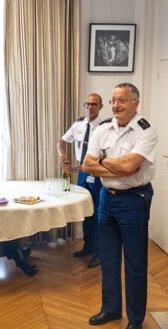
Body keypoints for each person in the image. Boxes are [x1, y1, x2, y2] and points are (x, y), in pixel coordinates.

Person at [82, 83, 157, 329]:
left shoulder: (145, 130)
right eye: (114, 100)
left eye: (122, 101)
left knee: (135, 263)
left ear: (136, 102)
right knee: (109, 260)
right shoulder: (103, 128)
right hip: (107, 199)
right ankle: (111, 309)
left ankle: (135, 319)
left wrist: (103, 162)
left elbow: (131, 167)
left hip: (134, 199)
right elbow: (87, 166)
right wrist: (112, 165)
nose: (116, 105)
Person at [58, 93, 104, 268]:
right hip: (83, 174)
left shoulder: (105, 127)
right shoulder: (78, 124)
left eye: (94, 104)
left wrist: (73, 169)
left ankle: (99, 253)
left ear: (100, 107)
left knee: (98, 214)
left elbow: (97, 161)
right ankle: (88, 246)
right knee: (86, 211)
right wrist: (63, 154)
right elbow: (61, 141)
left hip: (97, 173)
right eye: (87, 104)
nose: (90, 107)